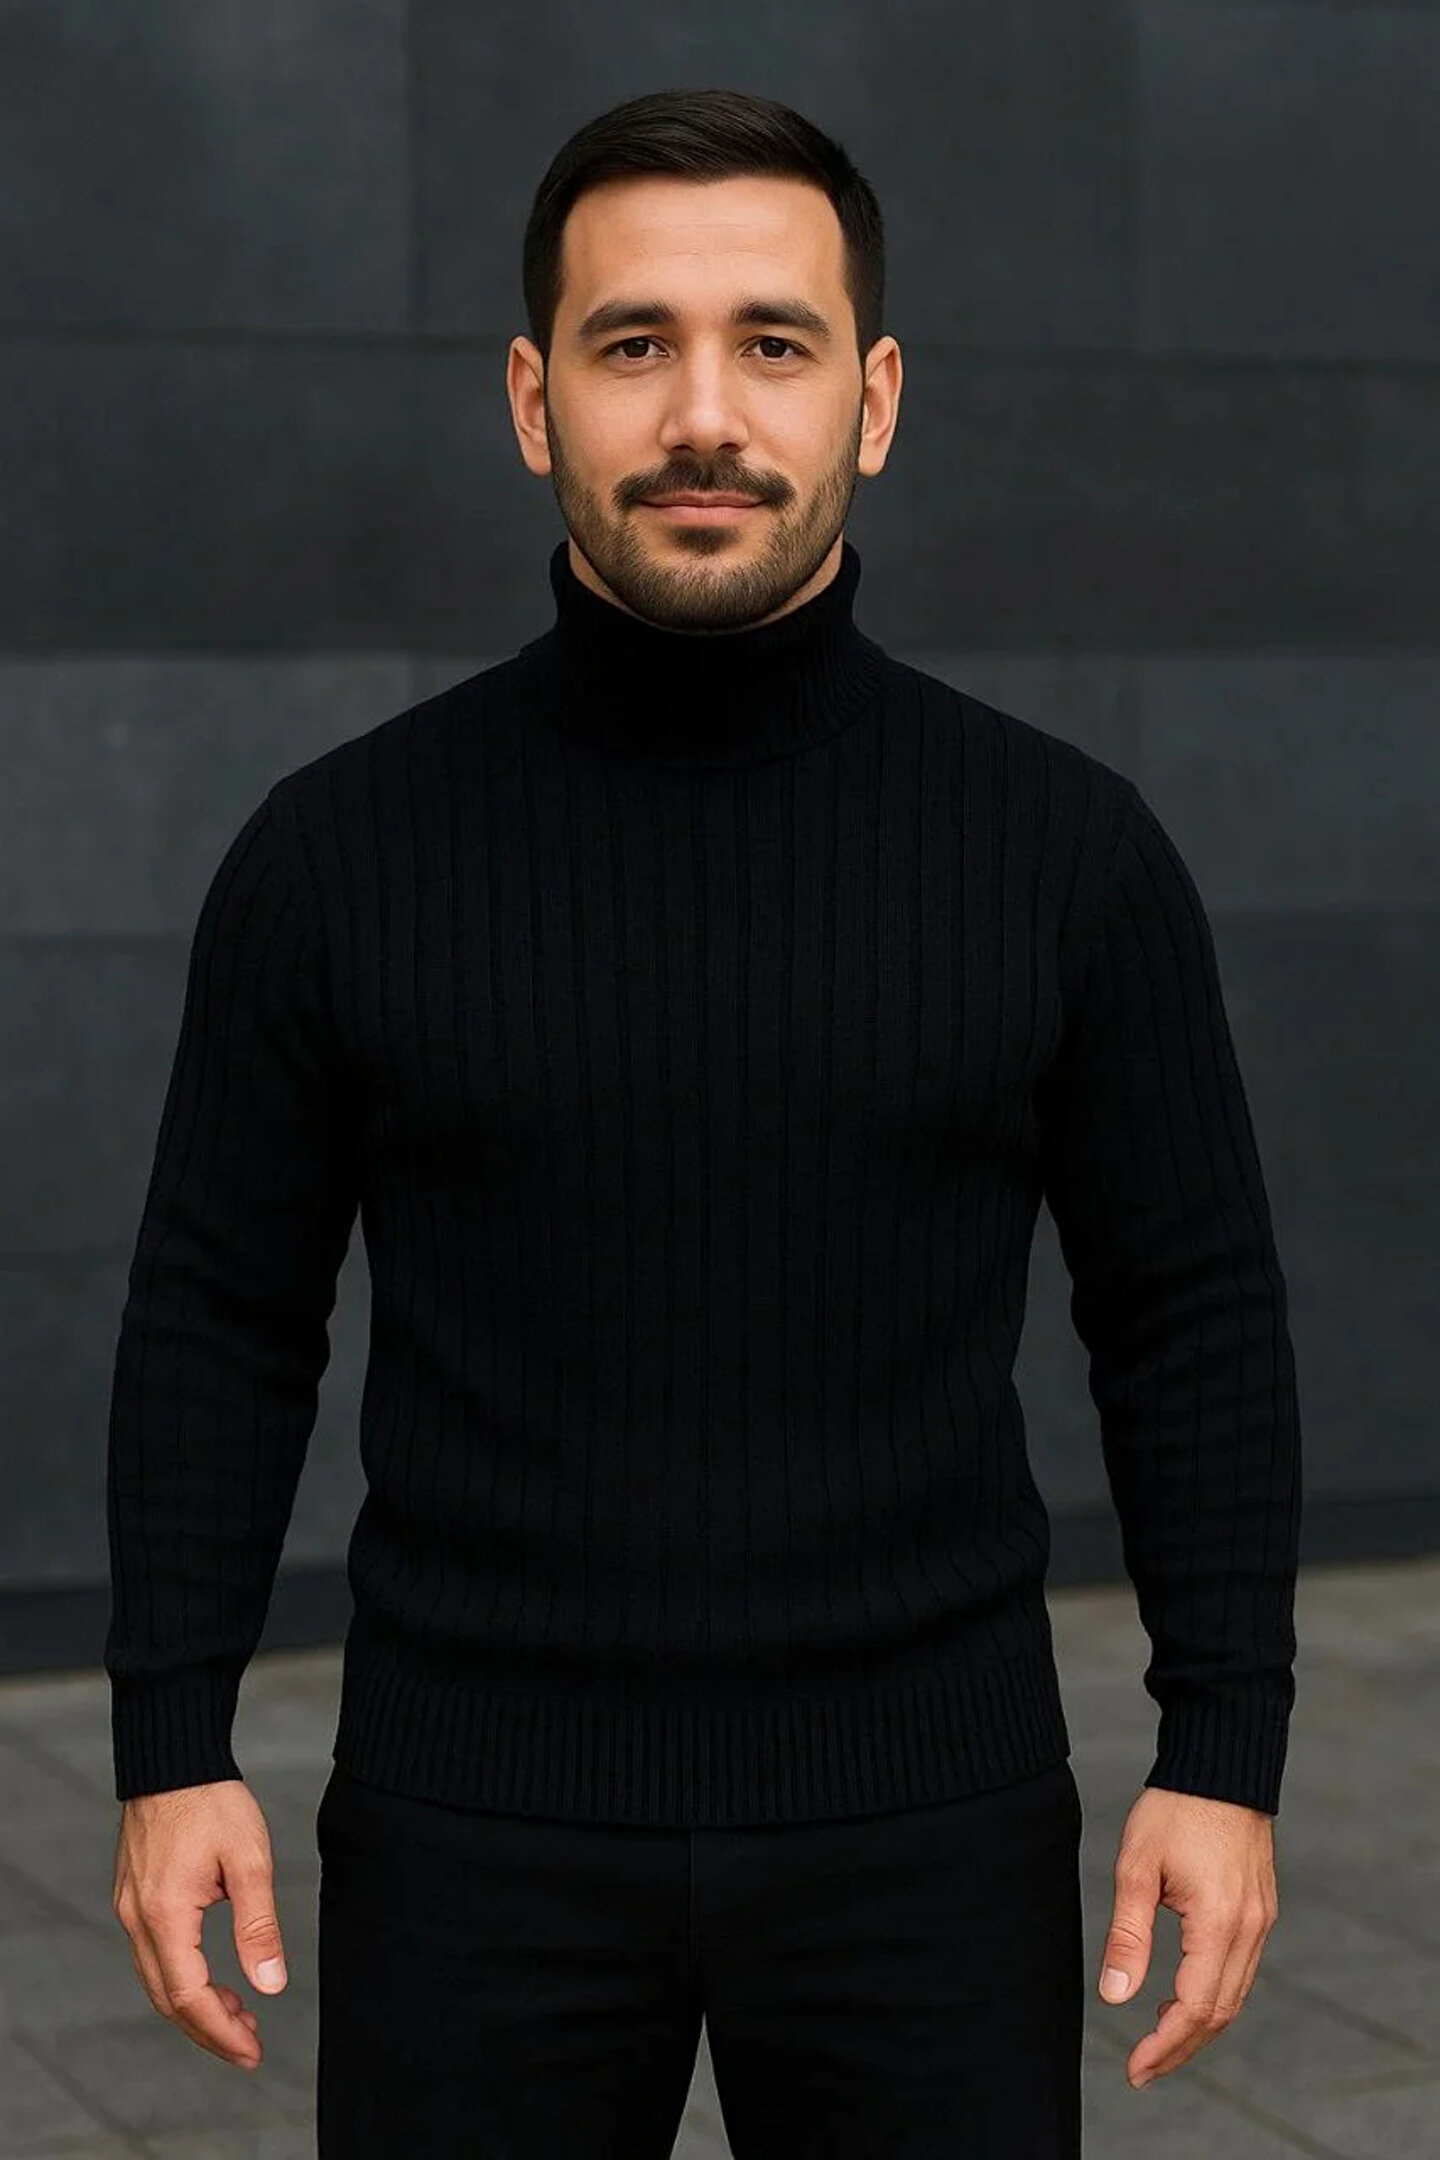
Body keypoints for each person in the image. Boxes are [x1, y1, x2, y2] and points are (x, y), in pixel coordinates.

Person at [106, 86, 1299, 2159]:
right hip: (470, 1823)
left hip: (929, 1820)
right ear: (532, 398)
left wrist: (1224, 1748)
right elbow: (221, 1315)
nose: (704, 417)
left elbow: (1188, 1311)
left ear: (876, 399)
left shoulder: (1064, 856)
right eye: (633, 342)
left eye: (775, 341)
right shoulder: (338, 857)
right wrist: (168, 1734)